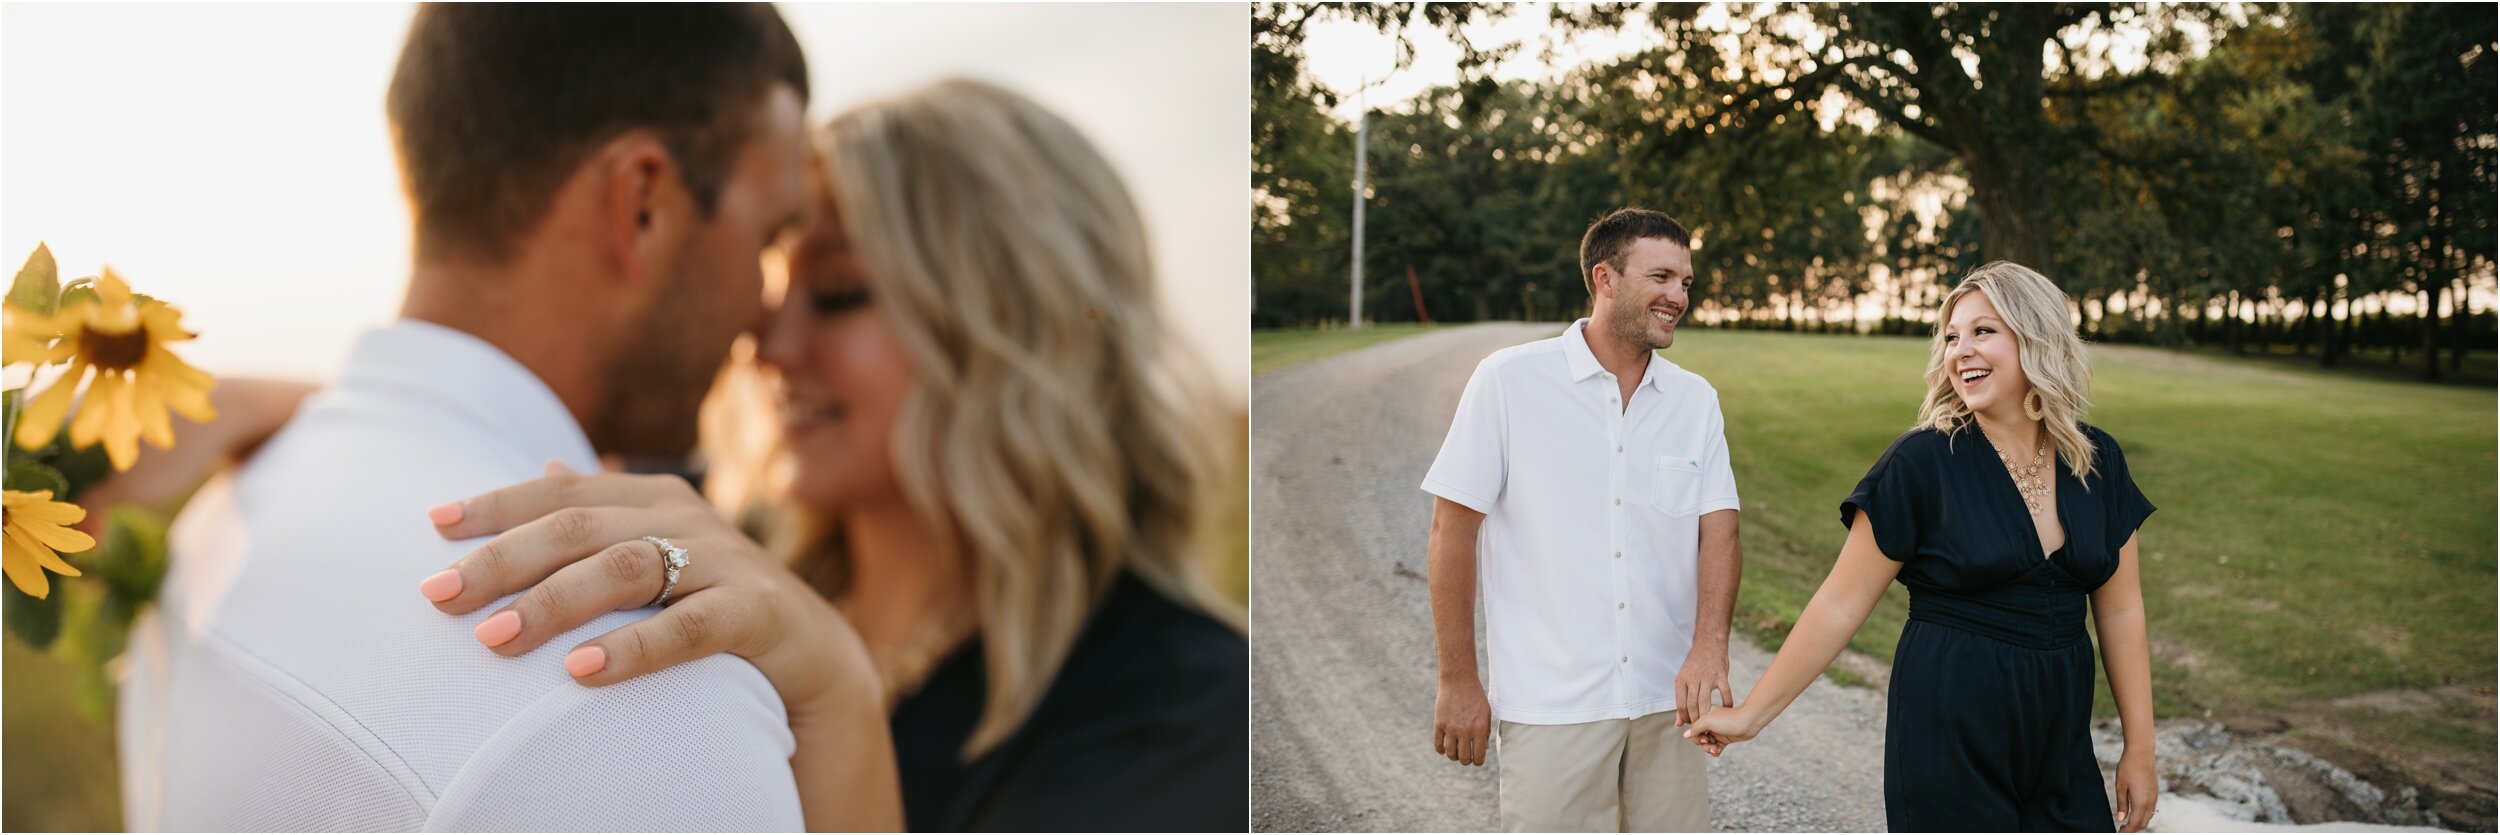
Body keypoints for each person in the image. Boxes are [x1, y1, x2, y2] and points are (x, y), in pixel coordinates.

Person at [115, 6, 901, 831]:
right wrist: (842, 691)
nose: (762, 318)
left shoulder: (225, 514)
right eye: (766, 237)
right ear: (643, 203)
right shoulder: (644, 705)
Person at [411, 78, 1250, 832]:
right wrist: (332, 411)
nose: (765, 340)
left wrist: (839, 712)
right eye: (772, 284)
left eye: (840, 290)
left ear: (1024, 329)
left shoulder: (1195, 716)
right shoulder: (708, 556)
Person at [1682, 261, 2160, 832]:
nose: (1961, 351)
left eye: (1984, 331)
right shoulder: (1923, 462)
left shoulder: (2097, 461)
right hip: (1947, 728)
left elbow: (2123, 610)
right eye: (1952, 337)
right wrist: (1753, 716)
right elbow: (1840, 603)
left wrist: (2140, 746)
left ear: (2036, 336)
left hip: (2059, 736)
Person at [1417, 208, 1742, 832]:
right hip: (1552, 706)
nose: (1678, 296)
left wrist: (1709, 647)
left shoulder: (1695, 401)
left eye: (1686, 282)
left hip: (1666, 704)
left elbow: (1719, 529)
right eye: (1662, 277)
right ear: (1606, 279)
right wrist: (1458, 679)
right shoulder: (1509, 381)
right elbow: (1451, 530)